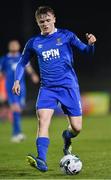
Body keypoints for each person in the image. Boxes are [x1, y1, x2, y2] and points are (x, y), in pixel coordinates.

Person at [12, 6, 96, 171]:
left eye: (48, 20)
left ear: (54, 19)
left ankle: (67, 137)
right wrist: (16, 80)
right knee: (43, 121)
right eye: (41, 21)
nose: (45, 24)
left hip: (68, 87)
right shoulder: (34, 42)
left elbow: (87, 52)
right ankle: (41, 160)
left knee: (77, 127)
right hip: (48, 89)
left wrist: (91, 45)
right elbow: (22, 62)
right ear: (37, 22)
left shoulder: (66, 35)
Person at [0, 40, 39, 142]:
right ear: (9, 46)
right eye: (11, 44)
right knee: (15, 109)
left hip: (22, 88)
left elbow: (28, 67)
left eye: (15, 44)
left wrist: (33, 75)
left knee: (19, 109)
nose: (13, 46)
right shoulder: (5, 59)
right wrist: (2, 90)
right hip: (10, 88)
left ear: (18, 46)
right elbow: (1, 74)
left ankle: (17, 133)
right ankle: (16, 134)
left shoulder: (21, 57)